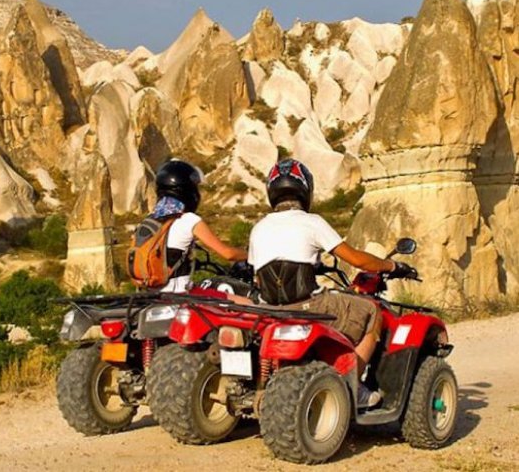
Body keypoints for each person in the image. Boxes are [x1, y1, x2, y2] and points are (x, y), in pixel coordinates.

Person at [248, 159, 415, 408]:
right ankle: (354, 385)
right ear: (306, 190)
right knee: (372, 312)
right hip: (310, 305)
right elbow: (358, 260)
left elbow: (259, 276)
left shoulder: (258, 228)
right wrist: (392, 266)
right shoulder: (312, 222)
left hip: (273, 309)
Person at [152, 159, 247, 292]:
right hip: (179, 295)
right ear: (186, 190)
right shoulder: (189, 220)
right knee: (244, 302)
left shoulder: (151, 221)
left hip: (153, 296)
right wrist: (252, 255)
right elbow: (228, 254)